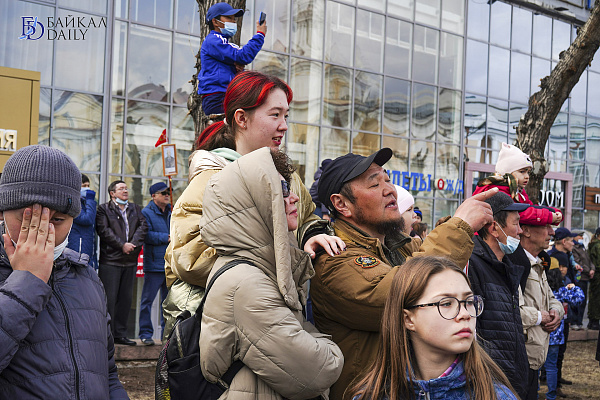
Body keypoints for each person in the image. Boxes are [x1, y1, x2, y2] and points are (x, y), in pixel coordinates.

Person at [162, 71, 344, 337]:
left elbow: (307, 218)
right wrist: (281, 253)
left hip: (278, 319)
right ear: (241, 118)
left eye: (286, 116)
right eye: (275, 115)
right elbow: (190, 258)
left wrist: (312, 235)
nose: (284, 126)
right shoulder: (212, 179)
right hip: (226, 329)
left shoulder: (287, 176)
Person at [310, 148, 499, 400]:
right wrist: (459, 227)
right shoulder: (333, 259)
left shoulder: (399, 245)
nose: (390, 190)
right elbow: (397, 294)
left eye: (387, 179)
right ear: (341, 204)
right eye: (375, 184)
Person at [199, 147, 344, 398]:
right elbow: (316, 371)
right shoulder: (247, 284)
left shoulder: (257, 269)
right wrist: (331, 348)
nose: (294, 197)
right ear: (251, 203)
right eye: (282, 190)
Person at [0, 145, 128, 399]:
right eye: (27, 218)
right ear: (2, 212)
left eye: (57, 220)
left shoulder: (87, 277)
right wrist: (27, 281)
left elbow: (108, 373)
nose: (42, 231)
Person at [349, 256, 518, 400]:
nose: (465, 314)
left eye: (469, 301)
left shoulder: (495, 395)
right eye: (446, 303)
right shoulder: (373, 395)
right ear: (408, 319)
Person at [467, 191, 530, 399]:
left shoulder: (506, 266)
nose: (520, 231)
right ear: (494, 228)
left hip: (511, 378)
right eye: (516, 223)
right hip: (490, 382)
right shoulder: (473, 265)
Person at [506, 210, 564, 400]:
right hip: (519, 358)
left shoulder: (537, 263)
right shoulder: (514, 263)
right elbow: (509, 311)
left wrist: (556, 311)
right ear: (526, 231)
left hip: (533, 357)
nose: (552, 232)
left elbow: (551, 298)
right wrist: (541, 317)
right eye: (546, 226)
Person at [96, 180, 148, 346]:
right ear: (112, 193)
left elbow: (143, 227)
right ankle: (107, 335)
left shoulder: (135, 208)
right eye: (121, 189)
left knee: (126, 300)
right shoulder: (104, 209)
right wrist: (122, 245)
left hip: (130, 260)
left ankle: (120, 334)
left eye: (126, 188)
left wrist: (132, 244)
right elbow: (104, 231)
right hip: (111, 261)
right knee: (109, 300)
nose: (125, 191)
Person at [198, 2, 267, 116]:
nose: (234, 21)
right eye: (229, 18)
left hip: (227, 95)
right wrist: (260, 35)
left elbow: (240, 57)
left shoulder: (225, 44)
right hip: (217, 97)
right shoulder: (213, 40)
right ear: (215, 22)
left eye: (234, 18)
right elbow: (243, 56)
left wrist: (238, 67)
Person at [474, 142, 562, 225]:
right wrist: (548, 216)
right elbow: (517, 214)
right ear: (508, 172)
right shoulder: (496, 190)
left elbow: (530, 207)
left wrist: (553, 211)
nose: (527, 176)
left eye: (528, 172)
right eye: (522, 172)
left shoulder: (518, 191)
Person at [544, 262, 584, 400]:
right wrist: (574, 287)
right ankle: (551, 395)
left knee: (535, 366)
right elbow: (579, 298)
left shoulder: (541, 290)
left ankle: (534, 392)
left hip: (539, 332)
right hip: (555, 334)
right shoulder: (561, 292)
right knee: (551, 366)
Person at [138, 182, 171, 346]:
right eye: (163, 193)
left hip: (170, 265)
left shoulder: (173, 211)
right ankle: (145, 334)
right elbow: (146, 235)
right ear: (153, 196)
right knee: (147, 301)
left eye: (169, 192)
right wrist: (166, 238)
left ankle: (167, 335)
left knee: (168, 303)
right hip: (154, 264)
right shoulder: (146, 212)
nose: (167, 195)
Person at [548, 227, 584, 330]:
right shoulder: (550, 258)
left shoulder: (569, 256)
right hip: (554, 311)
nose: (573, 244)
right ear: (564, 241)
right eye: (571, 241)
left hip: (567, 310)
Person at [66, 173, 98, 269]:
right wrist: (90, 199)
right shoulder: (72, 203)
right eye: (84, 186)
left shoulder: (86, 202)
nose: (87, 189)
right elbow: (87, 219)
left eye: (88, 186)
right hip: (76, 251)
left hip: (87, 252)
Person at [571, 231, 596, 329]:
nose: (581, 238)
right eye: (579, 236)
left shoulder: (582, 247)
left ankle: (579, 322)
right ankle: (575, 322)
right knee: (577, 300)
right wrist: (588, 270)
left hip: (586, 277)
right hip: (579, 277)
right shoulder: (574, 248)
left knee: (583, 300)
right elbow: (578, 262)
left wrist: (592, 269)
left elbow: (589, 260)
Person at [588, 227, 600, 330]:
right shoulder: (598, 246)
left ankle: (592, 321)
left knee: (593, 297)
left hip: (595, 275)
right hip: (598, 275)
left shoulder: (593, 244)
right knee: (597, 298)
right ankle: (595, 321)